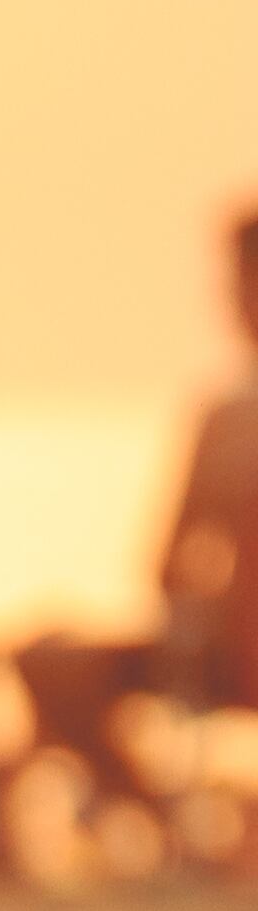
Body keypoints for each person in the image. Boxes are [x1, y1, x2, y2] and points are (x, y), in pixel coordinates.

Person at [160, 205, 258, 714]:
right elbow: (169, 563)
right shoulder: (225, 415)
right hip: (231, 649)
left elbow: (168, 565)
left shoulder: (231, 418)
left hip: (234, 652)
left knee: (57, 665)